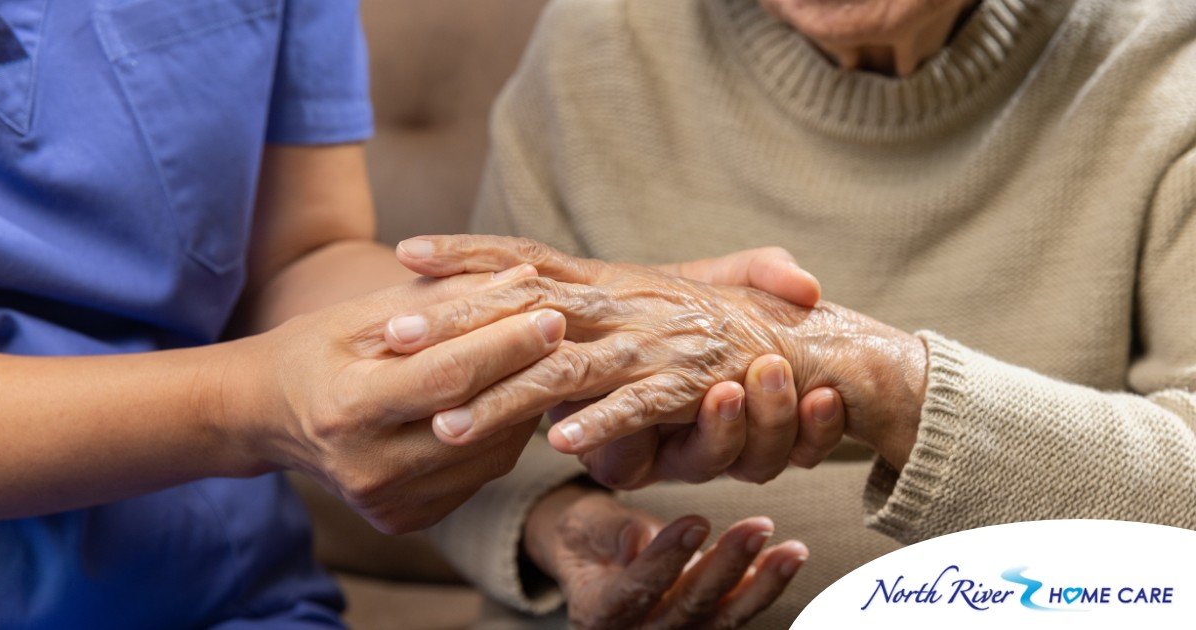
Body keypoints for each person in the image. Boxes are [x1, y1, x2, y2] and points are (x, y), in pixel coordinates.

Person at [0, 1, 824, 627]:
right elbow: (259, 388)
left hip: (232, 592)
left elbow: (298, 256)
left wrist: (573, 306)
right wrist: (244, 404)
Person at [401, 0, 1196, 626]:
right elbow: (455, 430)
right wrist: (561, 528)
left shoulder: (1165, 55)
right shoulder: (596, 39)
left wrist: (879, 378)